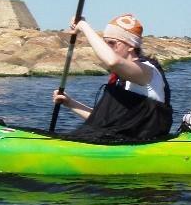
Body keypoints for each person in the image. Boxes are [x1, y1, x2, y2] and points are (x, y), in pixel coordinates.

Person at [52, 13, 173, 142]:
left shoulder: (147, 71)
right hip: (118, 140)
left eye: (112, 43)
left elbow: (112, 61)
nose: (107, 48)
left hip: (141, 144)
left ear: (131, 45)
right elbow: (104, 121)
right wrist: (70, 103)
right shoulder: (120, 78)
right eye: (105, 43)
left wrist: (83, 26)